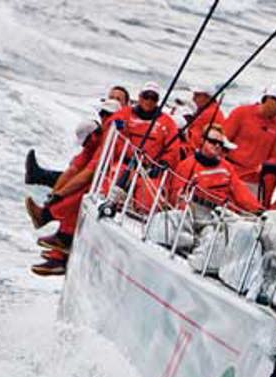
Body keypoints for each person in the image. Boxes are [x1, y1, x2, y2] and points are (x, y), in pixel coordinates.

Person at [25, 82, 181, 271]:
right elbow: (82, 167)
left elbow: (173, 153)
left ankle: (56, 232)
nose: (148, 101)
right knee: (91, 185)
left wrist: (163, 164)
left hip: (147, 173)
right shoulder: (117, 121)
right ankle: (60, 242)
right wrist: (57, 195)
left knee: (91, 186)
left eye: (153, 97)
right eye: (103, 113)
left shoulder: (167, 125)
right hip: (121, 166)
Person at [25, 86, 129, 186]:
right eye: (111, 98)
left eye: (118, 99)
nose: (114, 101)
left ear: (125, 106)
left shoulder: (124, 127)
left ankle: (41, 177)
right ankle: (41, 178)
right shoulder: (98, 128)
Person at [168, 124, 261, 213]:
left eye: (220, 143)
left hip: (222, 215)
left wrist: (257, 209)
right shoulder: (186, 166)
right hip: (195, 212)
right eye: (213, 142)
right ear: (202, 140)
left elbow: (240, 191)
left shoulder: (227, 167)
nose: (217, 146)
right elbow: (176, 195)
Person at [223, 84, 276, 184]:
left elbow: (275, 156)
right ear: (268, 98)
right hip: (230, 173)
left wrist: (266, 165)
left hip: (253, 180)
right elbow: (223, 139)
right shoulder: (241, 112)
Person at [175, 85, 226, 158]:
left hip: (194, 154)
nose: (193, 98)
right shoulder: (205, 110)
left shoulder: (210, 114)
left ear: (208, 98)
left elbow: (194, 141)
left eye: (197, 95)